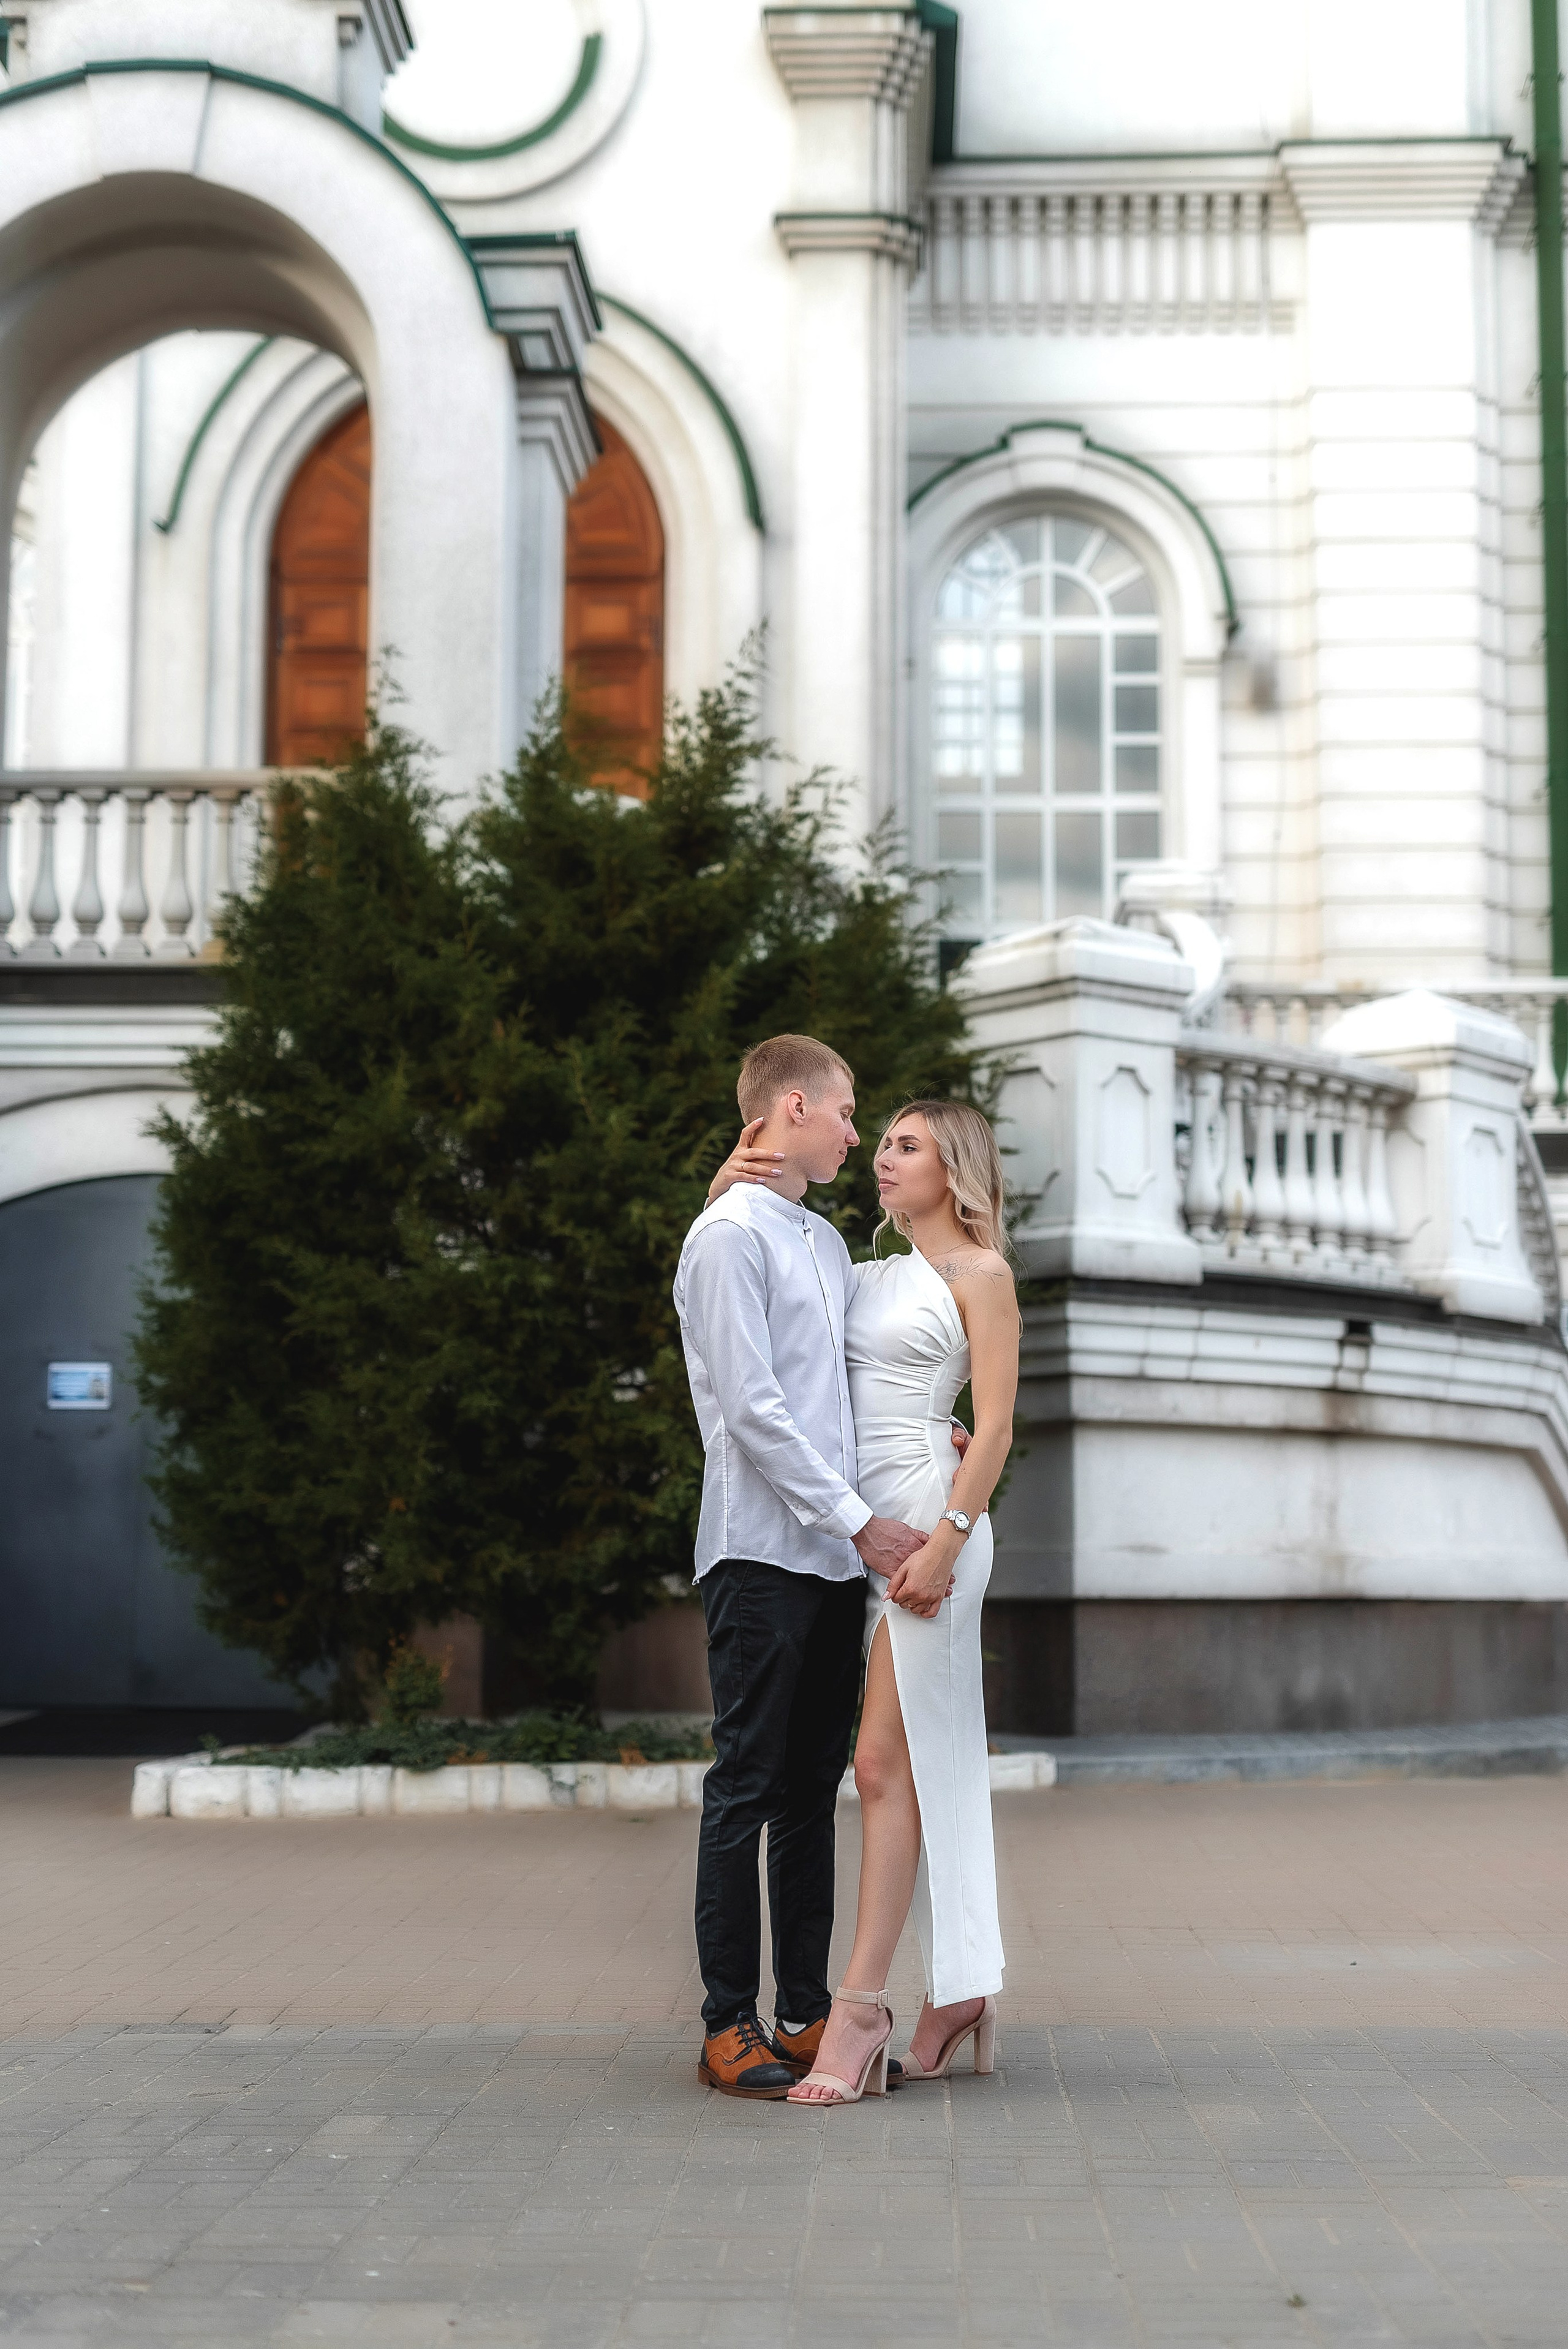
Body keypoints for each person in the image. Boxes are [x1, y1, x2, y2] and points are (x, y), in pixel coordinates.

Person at [707, 1095, 1017, 2106]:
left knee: (882, 1764)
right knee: (907, 1763)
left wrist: (950, 1538)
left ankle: (861, 2008)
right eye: (878, 1139)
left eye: (907, 1145)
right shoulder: (855, 1268)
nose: (881, 1157)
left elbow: (998, 1428)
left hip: (930, 1531)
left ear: (954, 1166)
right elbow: (777, 1340)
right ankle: (959, 1987)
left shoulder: (982, 1275)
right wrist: (722, 1196)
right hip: (848, 1539)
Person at [673, 1034, 939, 2100]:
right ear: (791, 1108)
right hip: (761, 1552)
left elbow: (844, 1390)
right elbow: (752, 1411)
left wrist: (935, 1433)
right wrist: (859, 1520)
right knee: (744, 1785)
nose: (854, 1131)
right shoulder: (727, 1235)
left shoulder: (822, 1243)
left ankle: (806, 2008)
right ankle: (726, 2022)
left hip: (832, 1559)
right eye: (845, 1111)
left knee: (806, 1794)